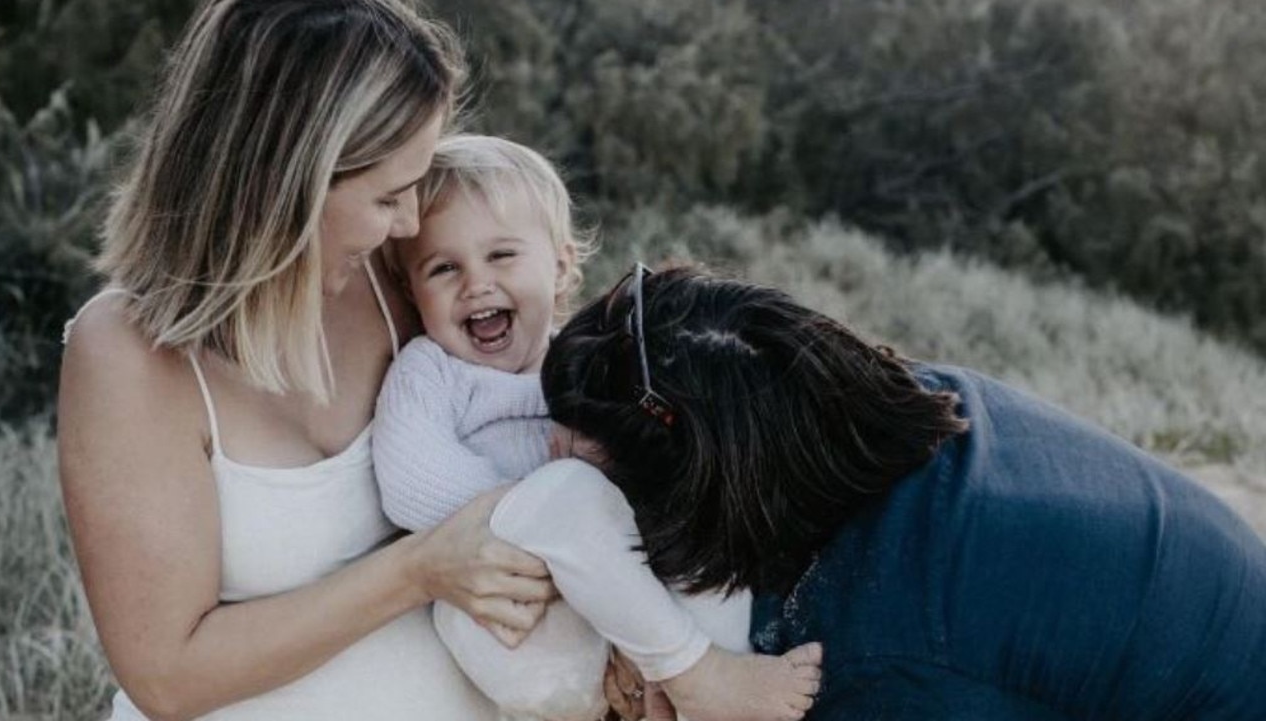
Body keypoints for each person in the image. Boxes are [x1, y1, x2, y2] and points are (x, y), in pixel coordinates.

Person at [57, 1, 561, 718]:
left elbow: (538, 396)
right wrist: (418, 570)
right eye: (389, 195)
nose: (413, 223)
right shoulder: (129, 357)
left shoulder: (397, 276)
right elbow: (168, 674)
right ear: (287, 182)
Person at [541, 265, 1266, 720]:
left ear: (688, 492)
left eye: (582, 463)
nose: (548, 459)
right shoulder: (886, 406)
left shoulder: (880, 651)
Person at [372, 134, 823, 721]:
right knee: (571, 492)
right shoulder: (431, 371)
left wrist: (613, 513)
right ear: (412, 292)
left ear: (560, 266)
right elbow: (411, 485)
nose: (475, 283)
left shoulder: (588, 364)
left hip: (620, 613)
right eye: (443, 268)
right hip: (510, 612)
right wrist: (559, 522)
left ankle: (698, 690)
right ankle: (694, 673)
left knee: (697, 525)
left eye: (501, 256)